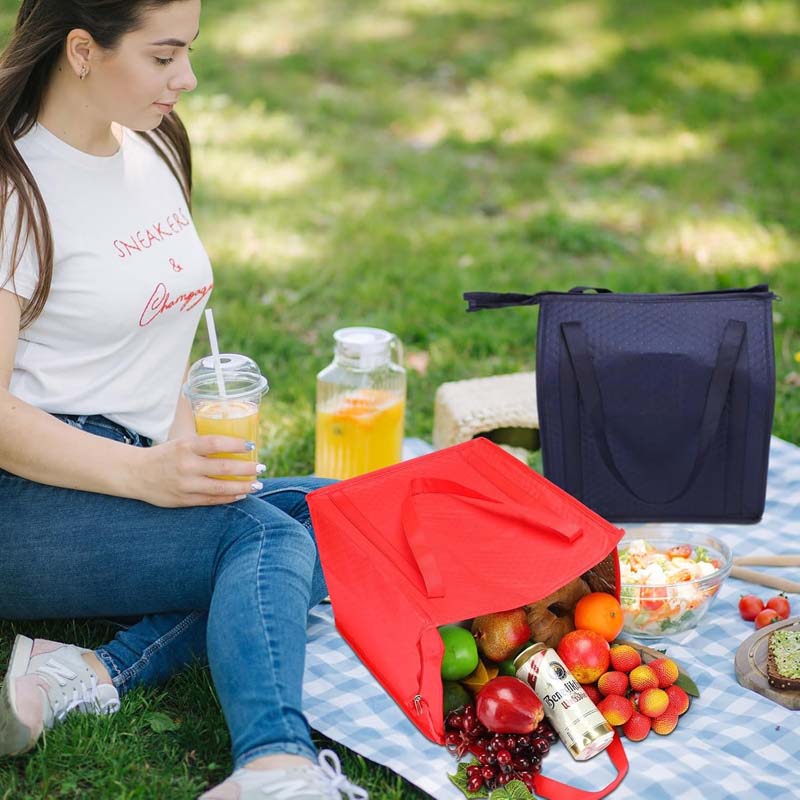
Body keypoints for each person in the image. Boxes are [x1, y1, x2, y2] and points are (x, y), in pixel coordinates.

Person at [0, 2, 367, 798]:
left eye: (189, 52)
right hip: (23, 498)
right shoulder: (14, 186)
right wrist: (145, 479)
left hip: (127, 458)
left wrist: (184, 454)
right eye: (165, 56)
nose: (188, 79)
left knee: (338, 517)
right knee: (262, 542)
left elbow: (162, 330)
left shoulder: (156, 146)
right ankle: (274, 766)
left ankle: (89, 669)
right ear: (82, 50)